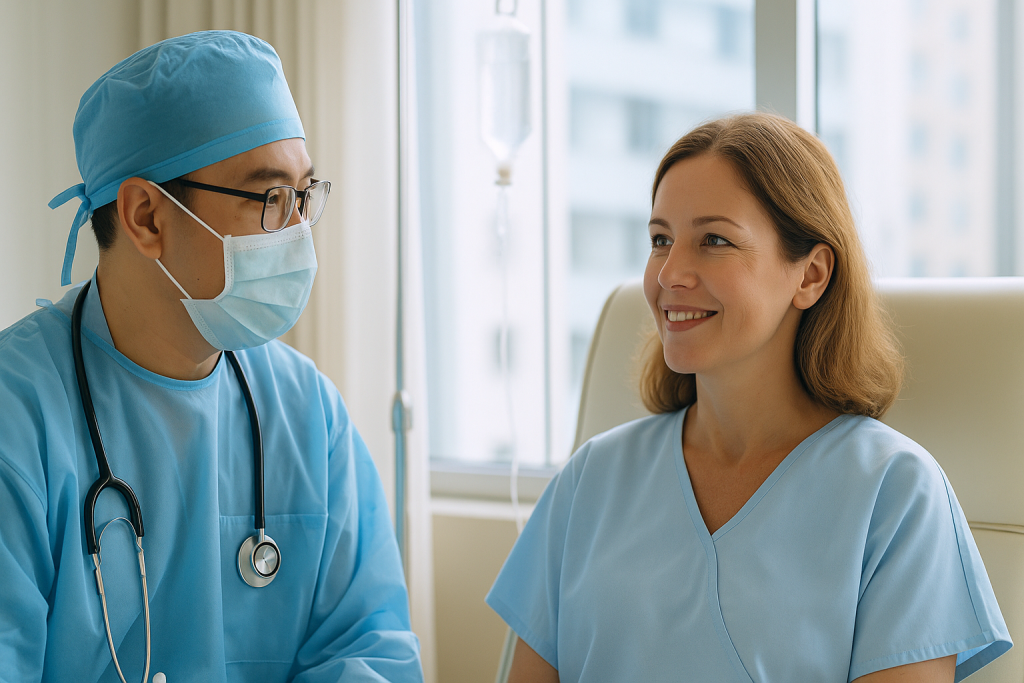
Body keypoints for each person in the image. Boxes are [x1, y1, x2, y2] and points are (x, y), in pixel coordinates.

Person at [486, 112, 1012, 682]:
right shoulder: (590, 479)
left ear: (810, 275)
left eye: (715, 240)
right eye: (660, 239)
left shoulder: (896, 492)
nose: (670, 273)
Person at [0, 31, 422, 682]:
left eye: (304, 197)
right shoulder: (18, 418)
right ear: (145, 215)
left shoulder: (310, 418)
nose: (298, 233)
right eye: (269, 199)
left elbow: (369, 654)